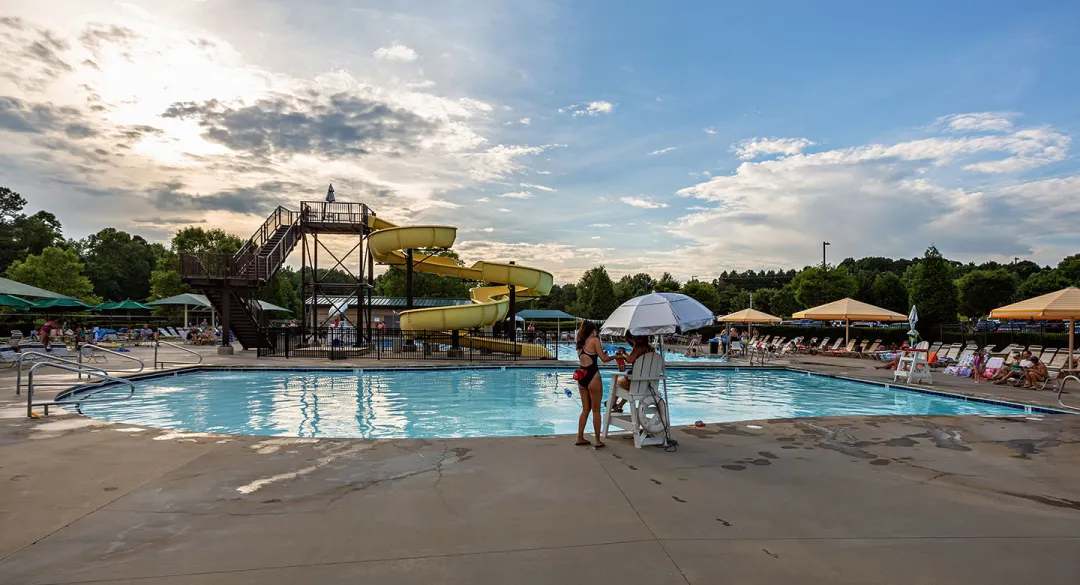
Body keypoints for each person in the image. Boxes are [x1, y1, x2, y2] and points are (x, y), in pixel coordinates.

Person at [575, 320, 615, 448]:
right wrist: (615, 357)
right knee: (596, 411)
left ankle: (580, 437)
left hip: (581, 376)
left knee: (585, 409)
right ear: (592, 331)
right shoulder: (595, 340)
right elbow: (604, 359)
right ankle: (597, 441)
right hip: (593, 375)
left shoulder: (580, 343)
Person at [611, 334, 657, 412]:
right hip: (647, 383)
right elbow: (634, 347)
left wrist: (623, 353)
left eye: (634, 337)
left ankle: (613, 403)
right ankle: (619, 405)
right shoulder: (651, 349)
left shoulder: (638, 348)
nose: (633, 339)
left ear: (640, 338)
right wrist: (626, 338)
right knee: (629, 386)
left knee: (617, 382)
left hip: (636, 381)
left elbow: (630, 360)